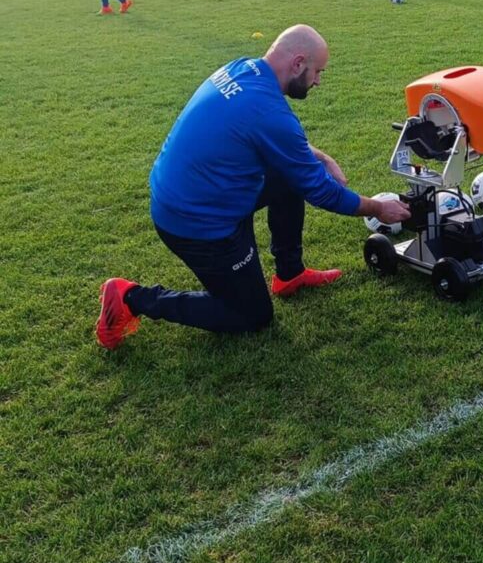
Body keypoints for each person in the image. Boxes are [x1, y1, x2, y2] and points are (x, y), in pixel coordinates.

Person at [95, 25, 412, 349]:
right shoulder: (268, 112)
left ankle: (290, 274)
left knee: (289, 176)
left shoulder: (241, 68)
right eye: (318, 72)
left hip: (191, 193)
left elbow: (276, 141)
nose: (318, 81)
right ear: (299, 63)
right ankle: (131, 297)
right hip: (194, 222)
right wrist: (378, 208)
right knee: (252, 314)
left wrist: (323, 157)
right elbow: (322, 191)